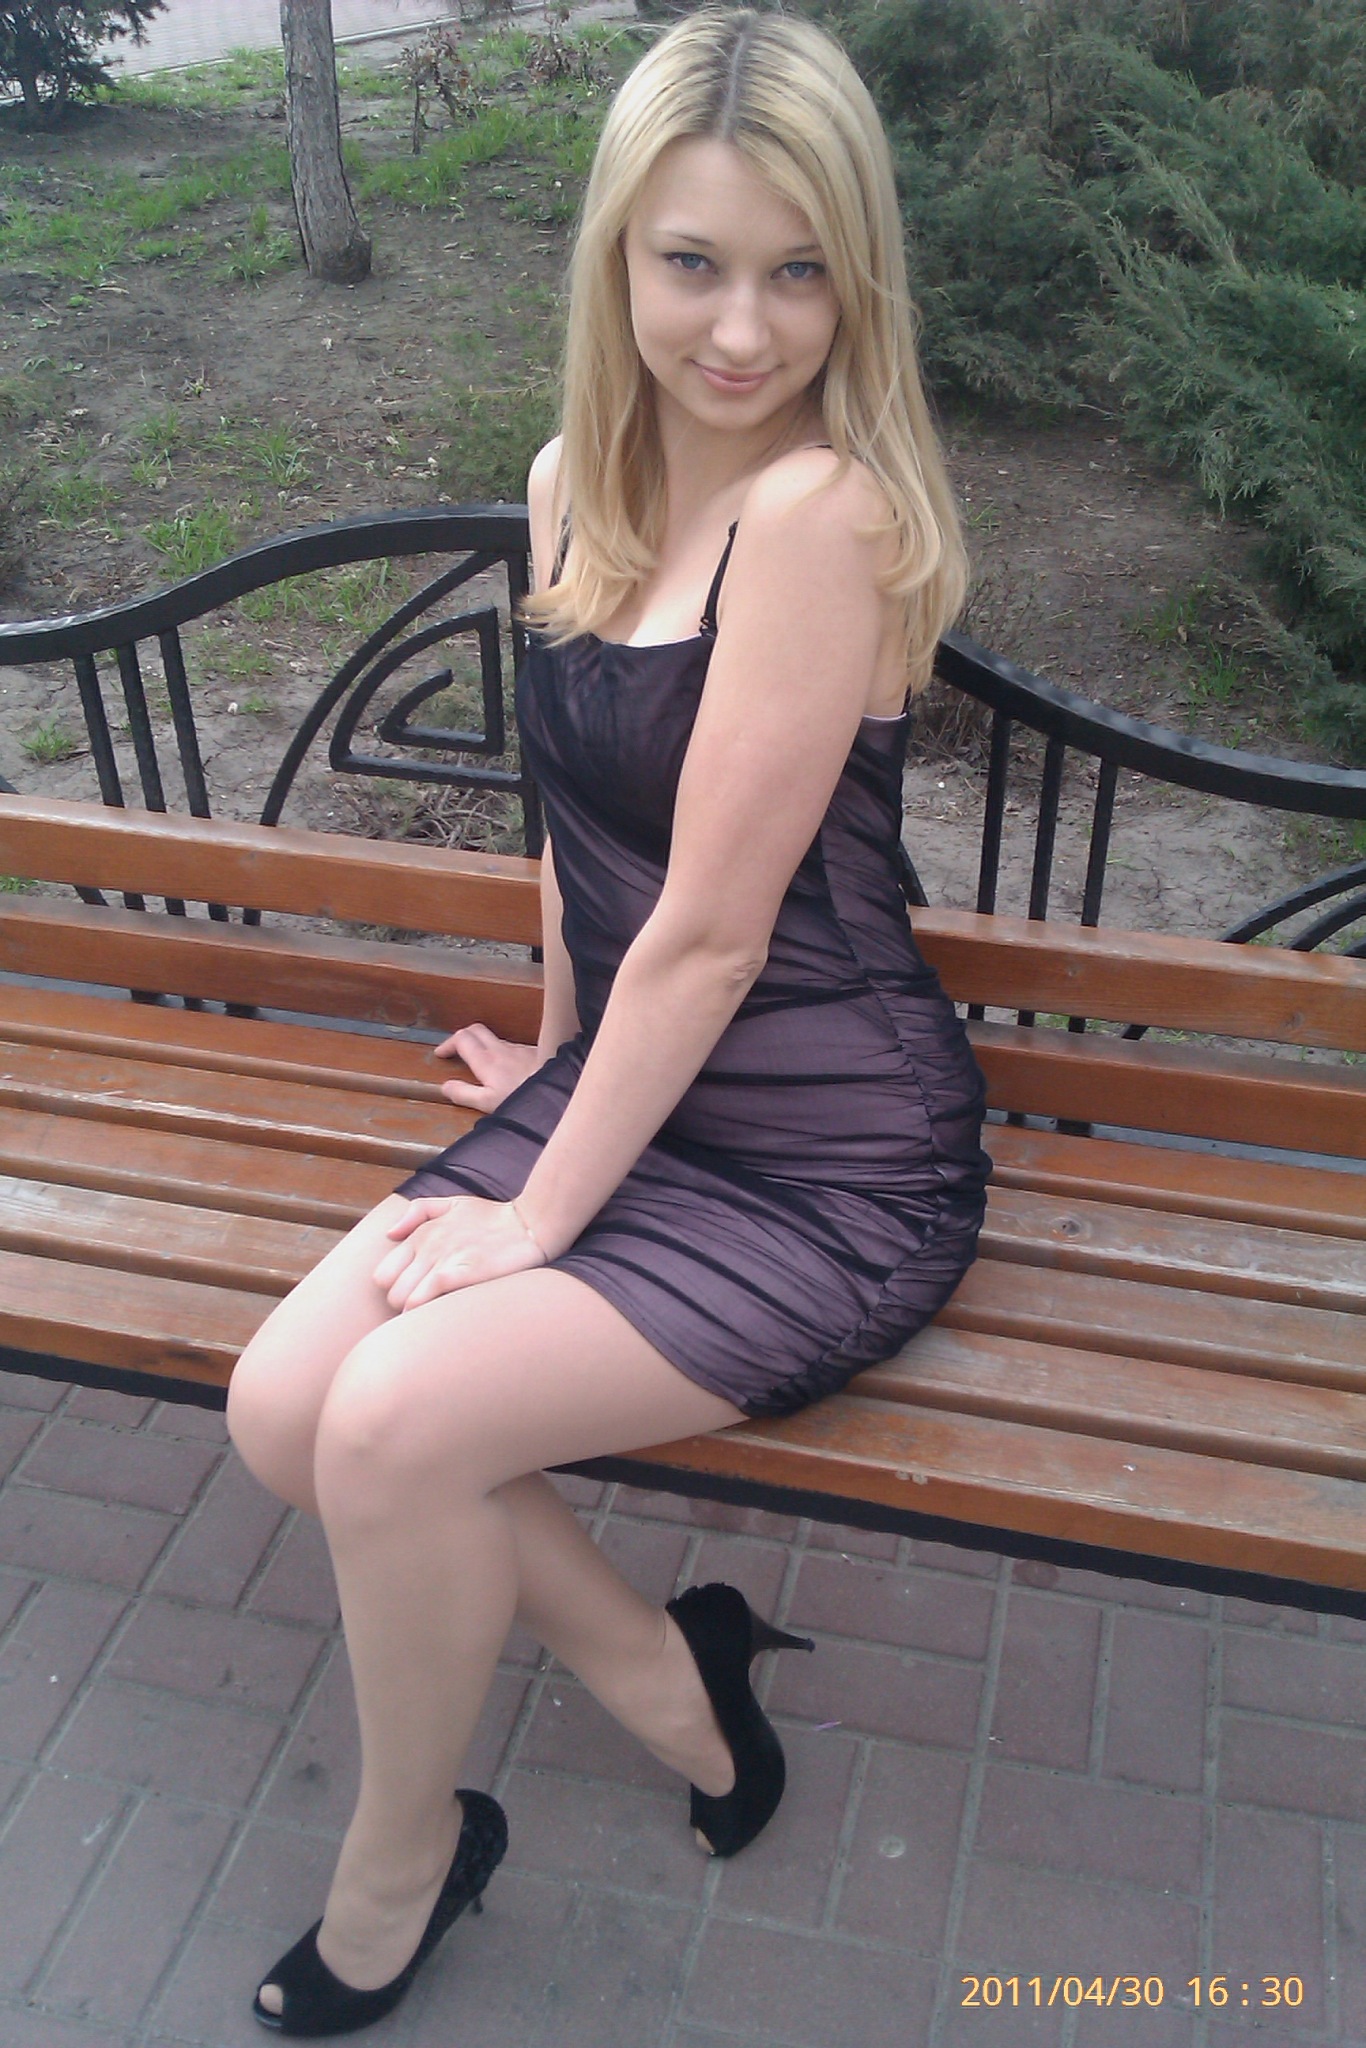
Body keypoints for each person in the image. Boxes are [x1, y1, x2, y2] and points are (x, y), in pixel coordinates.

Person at [226, 5, 991, 2035]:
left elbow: (716, 935)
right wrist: (547, 1053)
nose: (741, 328)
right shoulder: (574, 480)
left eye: (797, 270)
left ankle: (402, 1865)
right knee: (286, 1412)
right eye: (691, 262)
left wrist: (536, 1211)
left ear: (854, 276)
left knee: (389, 1425)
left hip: (826, 1158)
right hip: (636, 1088)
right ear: (615, 258)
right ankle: (669, 1666)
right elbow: (583, 844)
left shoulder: (820, 520)